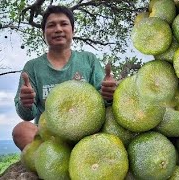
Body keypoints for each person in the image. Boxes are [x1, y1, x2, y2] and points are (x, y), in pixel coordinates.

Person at [12, 5, 117, 150]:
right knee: (20, 130)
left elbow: (105, 100)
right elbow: (27, 115)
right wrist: (26, 103)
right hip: (51, 137)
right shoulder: (33, 67)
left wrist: (109, 93)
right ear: (43, 33)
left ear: (73, 30)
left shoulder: (88, 60)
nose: (58, 29)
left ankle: (77, 155)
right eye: (51, 25)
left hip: (87, 132)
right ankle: (51, 158)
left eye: (64, 24)